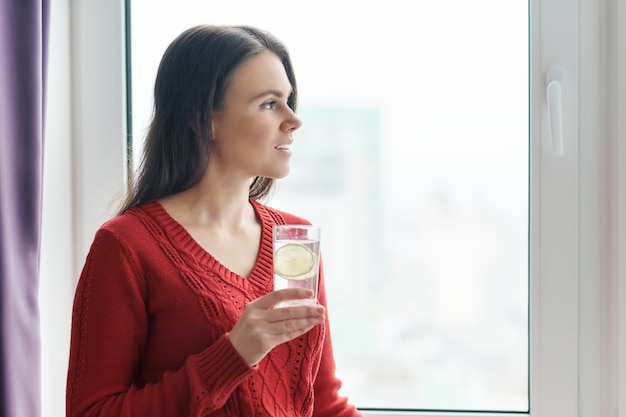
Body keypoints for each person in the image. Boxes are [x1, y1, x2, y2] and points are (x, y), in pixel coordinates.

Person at [65, 25, 363, 417]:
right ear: (202, 119)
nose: (293, 120)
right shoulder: (127, 246)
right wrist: (232, 355)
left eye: (289, 101)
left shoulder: (294, 239)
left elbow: (322, 402)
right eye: (269, 104)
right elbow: (91, 412)